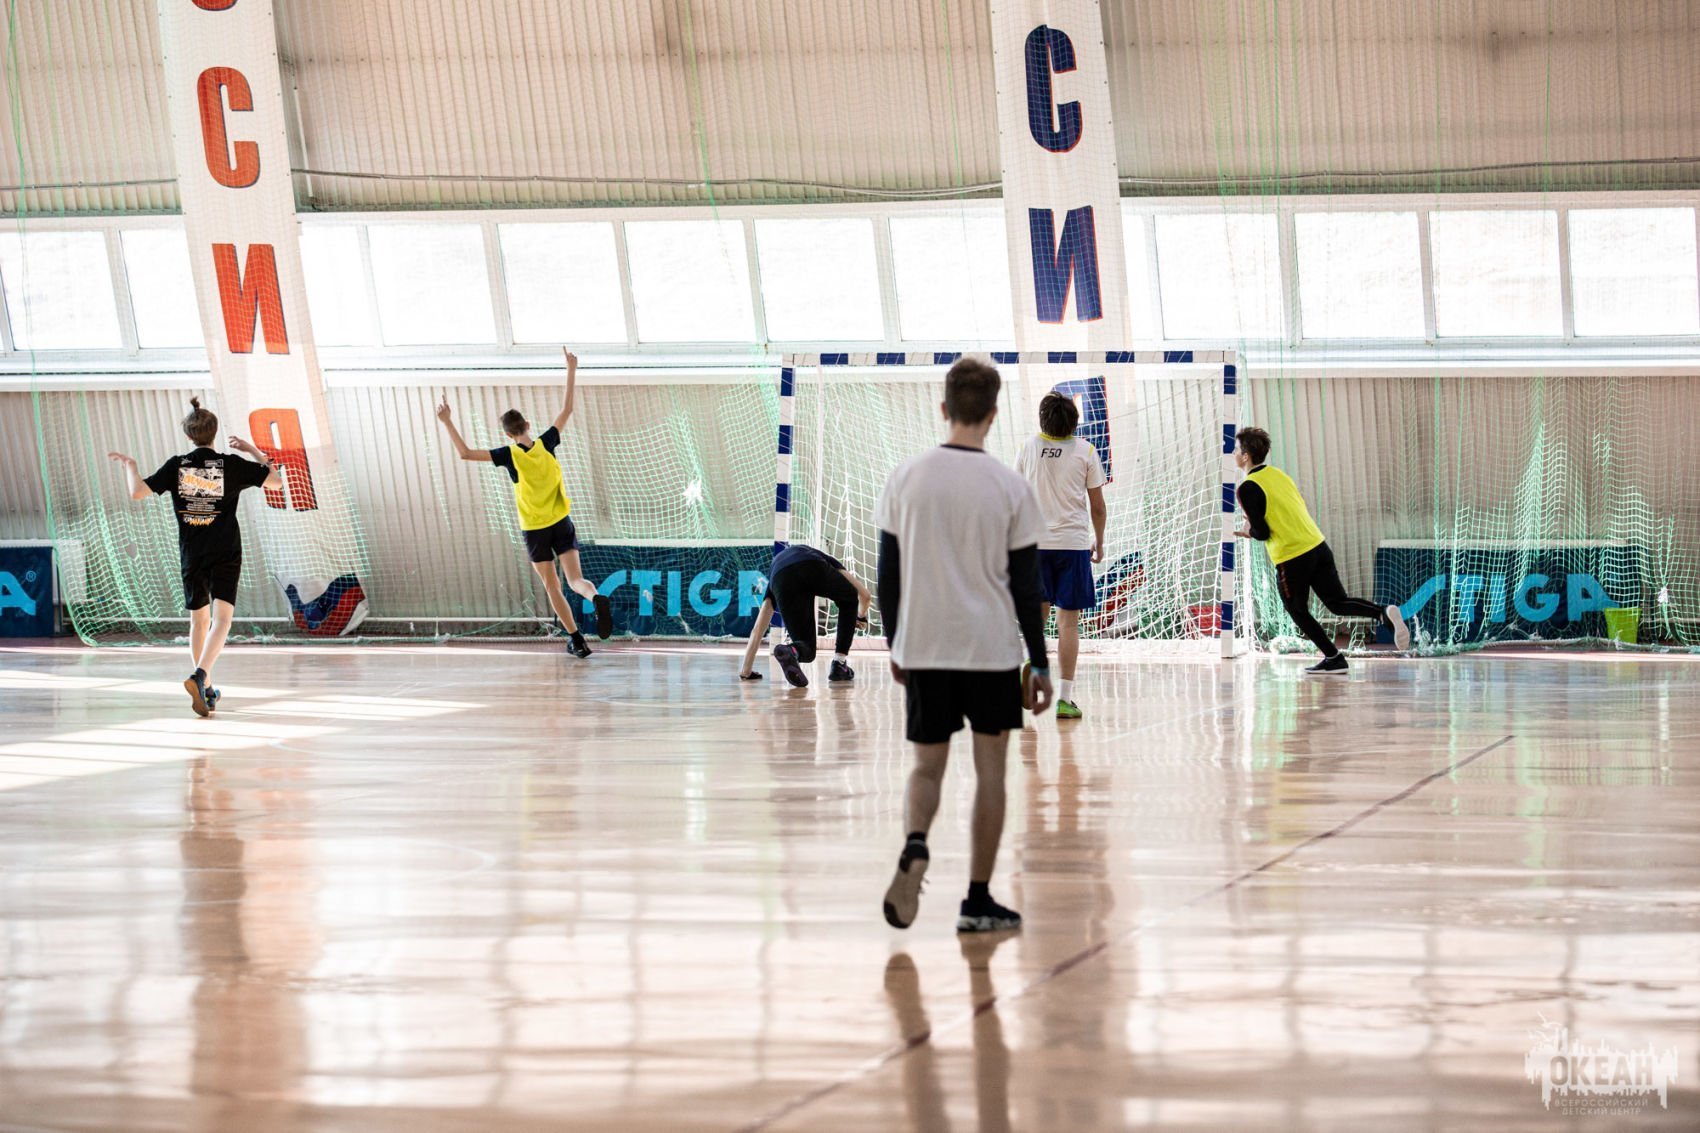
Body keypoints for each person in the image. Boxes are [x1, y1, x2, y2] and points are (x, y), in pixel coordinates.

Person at [876, 356, 1051, 934]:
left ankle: (915, 842)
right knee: (991, 773)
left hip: (926, 647)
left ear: (944, 408)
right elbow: (1027, 587)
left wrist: (897, 644)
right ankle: (977, 901)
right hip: (990, 652)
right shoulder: (1010, 486)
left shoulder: (906, 477)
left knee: (927, 767)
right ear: (994, 414)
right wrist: (1040, 663)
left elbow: (888, 577)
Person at [108, 397, 282, 717]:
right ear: (214, 433)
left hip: (192, 552)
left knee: (198, 621)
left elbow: (137, 492)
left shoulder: (177, 465)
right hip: (225, 551)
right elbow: (275, 480)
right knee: (222, 619)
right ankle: (201, 676)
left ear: (189, 436)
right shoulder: (231, 464)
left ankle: (207, 687)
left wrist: (131, 466)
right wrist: (250, 450)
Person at [435, 348, 612, 658]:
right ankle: (594, 596)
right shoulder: (548, 442)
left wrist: (447, 421)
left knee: (552, 587)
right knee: (575, 580)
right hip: (561, 522)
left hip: (535, 529)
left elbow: (464, 453)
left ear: (507, 434)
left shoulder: (508, 455)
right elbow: (567, 408)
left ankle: (577, 640)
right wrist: (571, 368)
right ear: (528, 424)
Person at [1234, 426, 1410, 674]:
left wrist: (1248, 531)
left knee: (1297, 611)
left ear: (1245, 456)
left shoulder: (1247, 487)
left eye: (1236, 449)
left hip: (1292, 555)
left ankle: (1334, 657)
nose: (1233, 453)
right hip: (1317, 545)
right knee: (1337, 602)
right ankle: (1382, 612)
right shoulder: (1278, 475)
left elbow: (1262, 533)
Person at [1015, 391, 1107, 720]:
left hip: (1034, 545)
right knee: (1068, 624)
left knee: (1037, 618)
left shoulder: (1028, 447)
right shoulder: (1085, 450)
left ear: (1043, 419)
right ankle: (1065, 700)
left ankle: (1033, 661)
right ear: (1074, 422)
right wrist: (1099, 541)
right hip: (1072, 545)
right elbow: (1098, 507)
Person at [737, 542, 871, 687]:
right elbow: (865, 595)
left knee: (806, 649)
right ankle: (839, 664)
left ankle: (792, 650)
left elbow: (758, 628)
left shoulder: (775, 573)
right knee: (849, 597)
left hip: (781, 578)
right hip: (811, 565)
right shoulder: (816, 554)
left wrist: (746, 670)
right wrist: (860, 616)